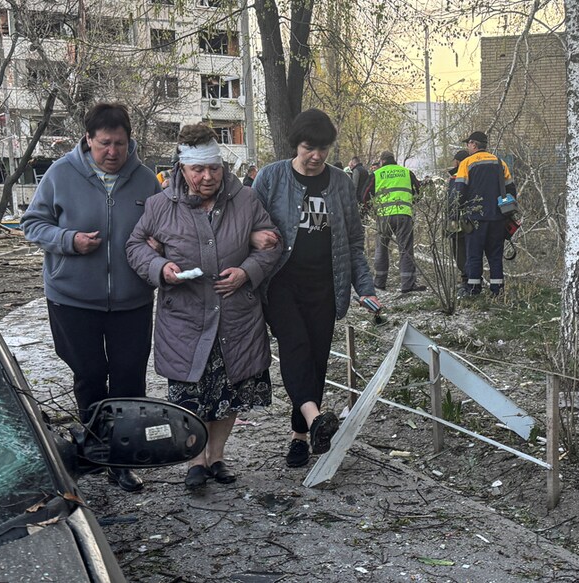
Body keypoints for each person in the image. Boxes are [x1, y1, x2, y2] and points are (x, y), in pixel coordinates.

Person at [126, 124, 281, 490]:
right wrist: (160, 267)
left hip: (234, 316)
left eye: (214, 168)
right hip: (185, 317)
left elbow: (272, 244)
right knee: (190, 395)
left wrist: (246, 272)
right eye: (198, 170)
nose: (207, 176)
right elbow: (135, 247)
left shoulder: (245, 200)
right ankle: (195, 460)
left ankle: (217, 456)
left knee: (229, 394)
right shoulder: (160, 205)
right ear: (183, 168)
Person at [21, 103, 160, 493]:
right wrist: (69, 241)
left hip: (132, 300)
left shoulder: (146, 180)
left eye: (119, 143)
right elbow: (32, 224)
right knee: (90, 376)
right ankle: (96, 450)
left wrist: (159, 242)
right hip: (72, 297)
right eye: (104, 144)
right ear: (88, 140)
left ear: (129, 141)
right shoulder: (61, 174)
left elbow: (163, 226)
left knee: (130, 380)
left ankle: (123, 459)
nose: (112, 152)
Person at [253, 108, 379, 468]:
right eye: (309, 147)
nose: (316, 156)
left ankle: (303, 434)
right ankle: (311, 422)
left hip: (326, 285)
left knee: (317, 360)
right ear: (297, 144)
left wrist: (365, 287)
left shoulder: (340, 182)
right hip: (281, 281)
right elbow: (248, 224)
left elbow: (354, 241)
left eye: (323, 148)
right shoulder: (271, 177)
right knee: (295, 347)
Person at [453, 131, 516, 297]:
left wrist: (455, 213)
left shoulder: (466, 163)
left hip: (475, 218)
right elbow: (511, 190)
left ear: (474, 144)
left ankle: (474, 289)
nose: (467, 146)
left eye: (468, 143)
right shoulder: (500, 163)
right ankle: (497, 290)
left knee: (474, 254)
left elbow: (459, 192)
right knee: (495, 256)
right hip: (498, 217)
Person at [367, 151, 423, 293]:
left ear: (382, 161)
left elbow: (364, 194)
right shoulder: (406, 172)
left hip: (383, 216)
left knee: (381, 248)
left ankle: (379, 284)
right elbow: (419, 191)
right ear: (394, 160)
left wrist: (372, 210)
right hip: (404, 215)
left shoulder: (377, 174)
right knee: (405, 249)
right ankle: (407, 285)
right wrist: (410, 203)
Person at [446, 149, 470, 287]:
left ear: (458, 161)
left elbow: (453, 199)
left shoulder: (457, 176)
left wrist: (451, 218)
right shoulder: (472, 173)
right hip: (470, 218)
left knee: (459, 249)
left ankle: (466, 278)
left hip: (459, 219)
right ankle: (469, 277)